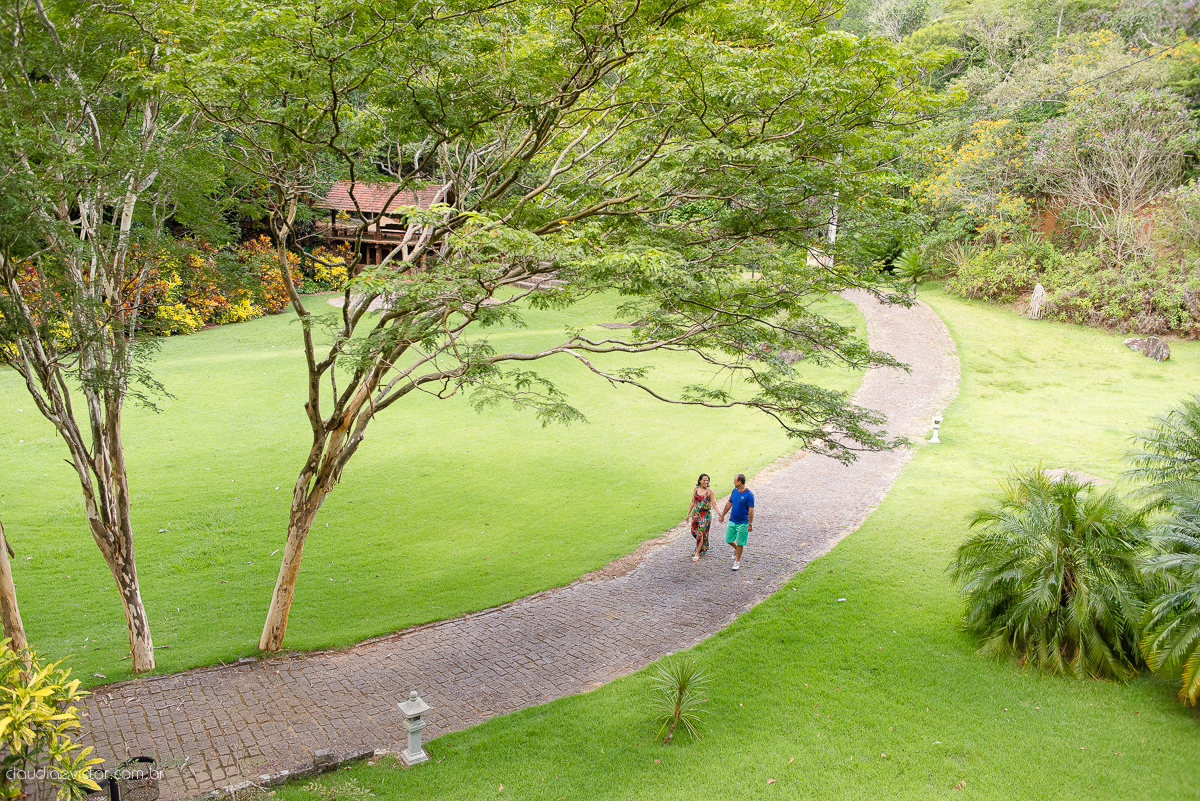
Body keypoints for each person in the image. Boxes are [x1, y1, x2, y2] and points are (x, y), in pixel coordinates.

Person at [718, 473, 754, 571]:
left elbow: (751, 510)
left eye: (735, 481)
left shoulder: (749, 495)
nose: (733, 482)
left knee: (740, 543)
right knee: (728, 539)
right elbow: (729, 503)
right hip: (732, 521)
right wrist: (722, 515)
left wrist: (749, 524)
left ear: (739, 482)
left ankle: (737, 561)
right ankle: (736, 549)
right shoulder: (734, 491)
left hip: (743, 523)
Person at [686, 474, 715, 561]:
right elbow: (692, 501)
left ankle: (697, 552)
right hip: (696, 513)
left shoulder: (710, 491)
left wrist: (720, 513)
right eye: (704, 480)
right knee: (694, 531)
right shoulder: (696, 489)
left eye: (707, 480)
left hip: (705, 515)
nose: (706, 482)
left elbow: (714, 503)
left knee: (700, 533)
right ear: (700, 480)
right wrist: (688, 514)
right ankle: (703, 543)